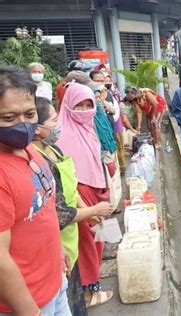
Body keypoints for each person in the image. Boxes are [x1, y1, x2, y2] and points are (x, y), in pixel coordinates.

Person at [32, 97, 114, 314]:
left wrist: (88, 210)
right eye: (53, 120)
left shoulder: (54, 150)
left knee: (73, 295)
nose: (57, 124)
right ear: (37, 127)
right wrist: (93, 210)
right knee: (68, 299)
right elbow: (58, 212)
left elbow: (71, 186)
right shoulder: (36, 160)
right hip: (58, 238)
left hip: (68, 241)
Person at [0, 65, 70, 315]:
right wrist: (30, 311)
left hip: (55, 286)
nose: (22, 125)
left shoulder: (29, 151)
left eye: (29, 114)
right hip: (27, 304)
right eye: (9, 118)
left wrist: (57, 248)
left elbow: (42, 208)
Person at [56, 82, 114, 308]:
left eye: (88, 105)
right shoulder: (62, 135)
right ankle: (90, 291)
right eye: (78, 106)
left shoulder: (89, 127)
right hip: (80, 194)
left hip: (98, 187)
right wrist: (86, 206)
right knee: (88, 241)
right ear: (68, 105)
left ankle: (94, 281)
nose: (84, 111)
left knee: (100, 237)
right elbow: (67, 178)